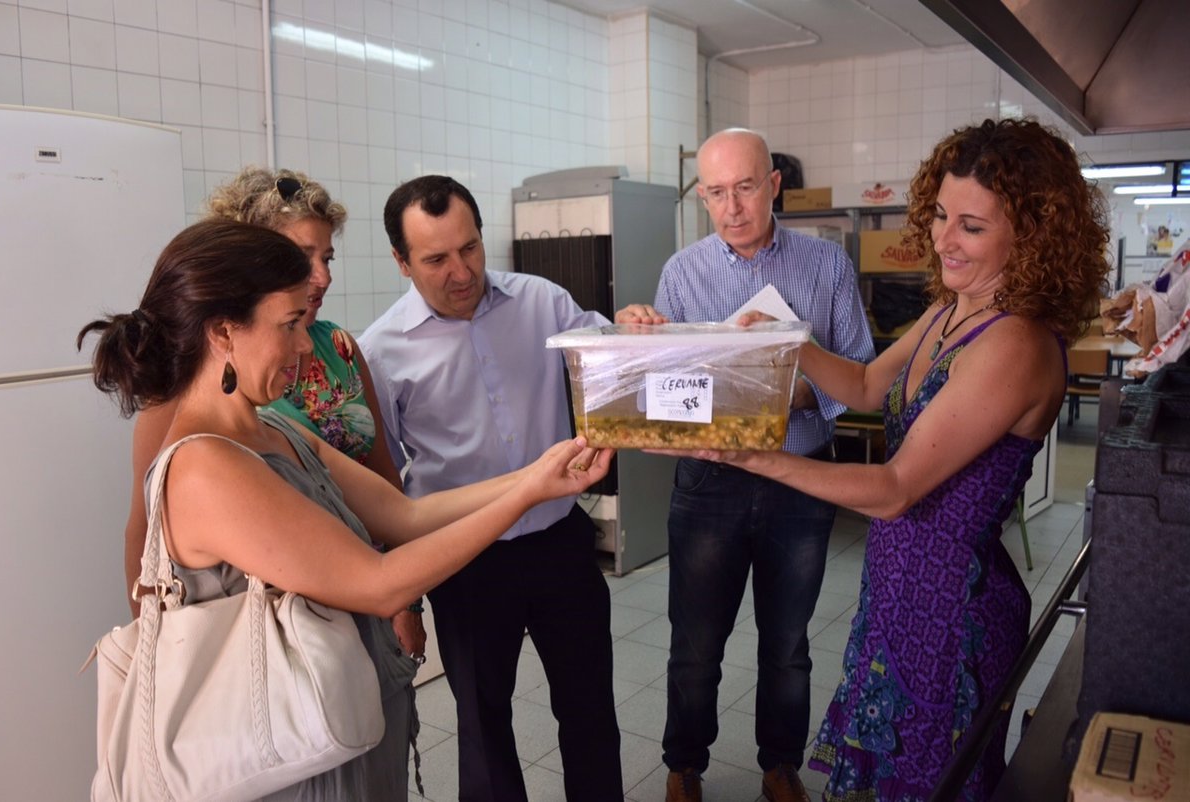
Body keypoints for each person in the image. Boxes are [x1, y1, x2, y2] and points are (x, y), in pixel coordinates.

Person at [77, 219, 613, 801]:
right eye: (289, 324)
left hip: (339, 725)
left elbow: (404, 516)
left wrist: (536, 475)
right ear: (224, 332)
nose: (306, 344)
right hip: (290, 756)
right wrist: (525, 497)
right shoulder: (205, 466)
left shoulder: (274, 428)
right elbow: (378, 582)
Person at [662, 118, 1111, 800]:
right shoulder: (951, 310)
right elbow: (870, 385)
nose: (943, 239)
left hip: (951, 610)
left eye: (971, 226)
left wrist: (754, 456)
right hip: (899, 589)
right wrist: (791, 338)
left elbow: (897, 487)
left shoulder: (1015, 345)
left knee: (933, 779)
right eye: (940, 215)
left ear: (1032, 234)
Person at [359, 175, 645, 802]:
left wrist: (632, 327)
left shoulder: (542, 301)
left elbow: (612, 362)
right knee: (484, 725)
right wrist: (403, 600)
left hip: (559, 543)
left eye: (470, 248)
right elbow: (382, 484)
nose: (461, 272)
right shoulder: (379, 352)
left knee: (590, 709)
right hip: (464, 560)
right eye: (436, 259)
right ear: (402, 262)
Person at [617, 127, 875, 802]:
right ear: (702, 197)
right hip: (711, 483)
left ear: (773, 185)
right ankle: (684, 765)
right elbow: (666, 388)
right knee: (695, 642)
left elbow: (861, 374)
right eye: (715, 193)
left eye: (745, 188)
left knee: (787, 643)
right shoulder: (682, 272)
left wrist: (785, 391)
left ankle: (780, 765)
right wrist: (639, 339)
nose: (732, 207)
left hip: (802, 480)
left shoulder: (827, 266)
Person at [121, 167, 424, 668]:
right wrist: (155, 654)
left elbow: (386, 482)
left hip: (369, 612)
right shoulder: (190, 389)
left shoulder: (339, 349)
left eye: (326, 257)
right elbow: (146, 533)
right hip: (276, 648)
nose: (321, 276)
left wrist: (406, 603)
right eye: (302, 257)